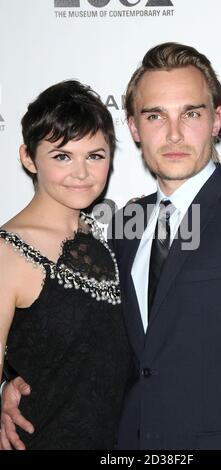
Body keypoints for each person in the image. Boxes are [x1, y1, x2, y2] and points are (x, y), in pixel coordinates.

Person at [2, 42, 221, 450]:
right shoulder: (123, 228)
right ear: (135, 128)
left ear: (217, 120)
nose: (174, 133)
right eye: (155, 115)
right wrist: (11, 384)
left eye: (190, 113)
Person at [0, 80, 131, 450]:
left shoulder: (109, 242)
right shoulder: (7, 253)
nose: (81, 173)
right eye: (62, 156)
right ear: (28, 157)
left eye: (95, 155)